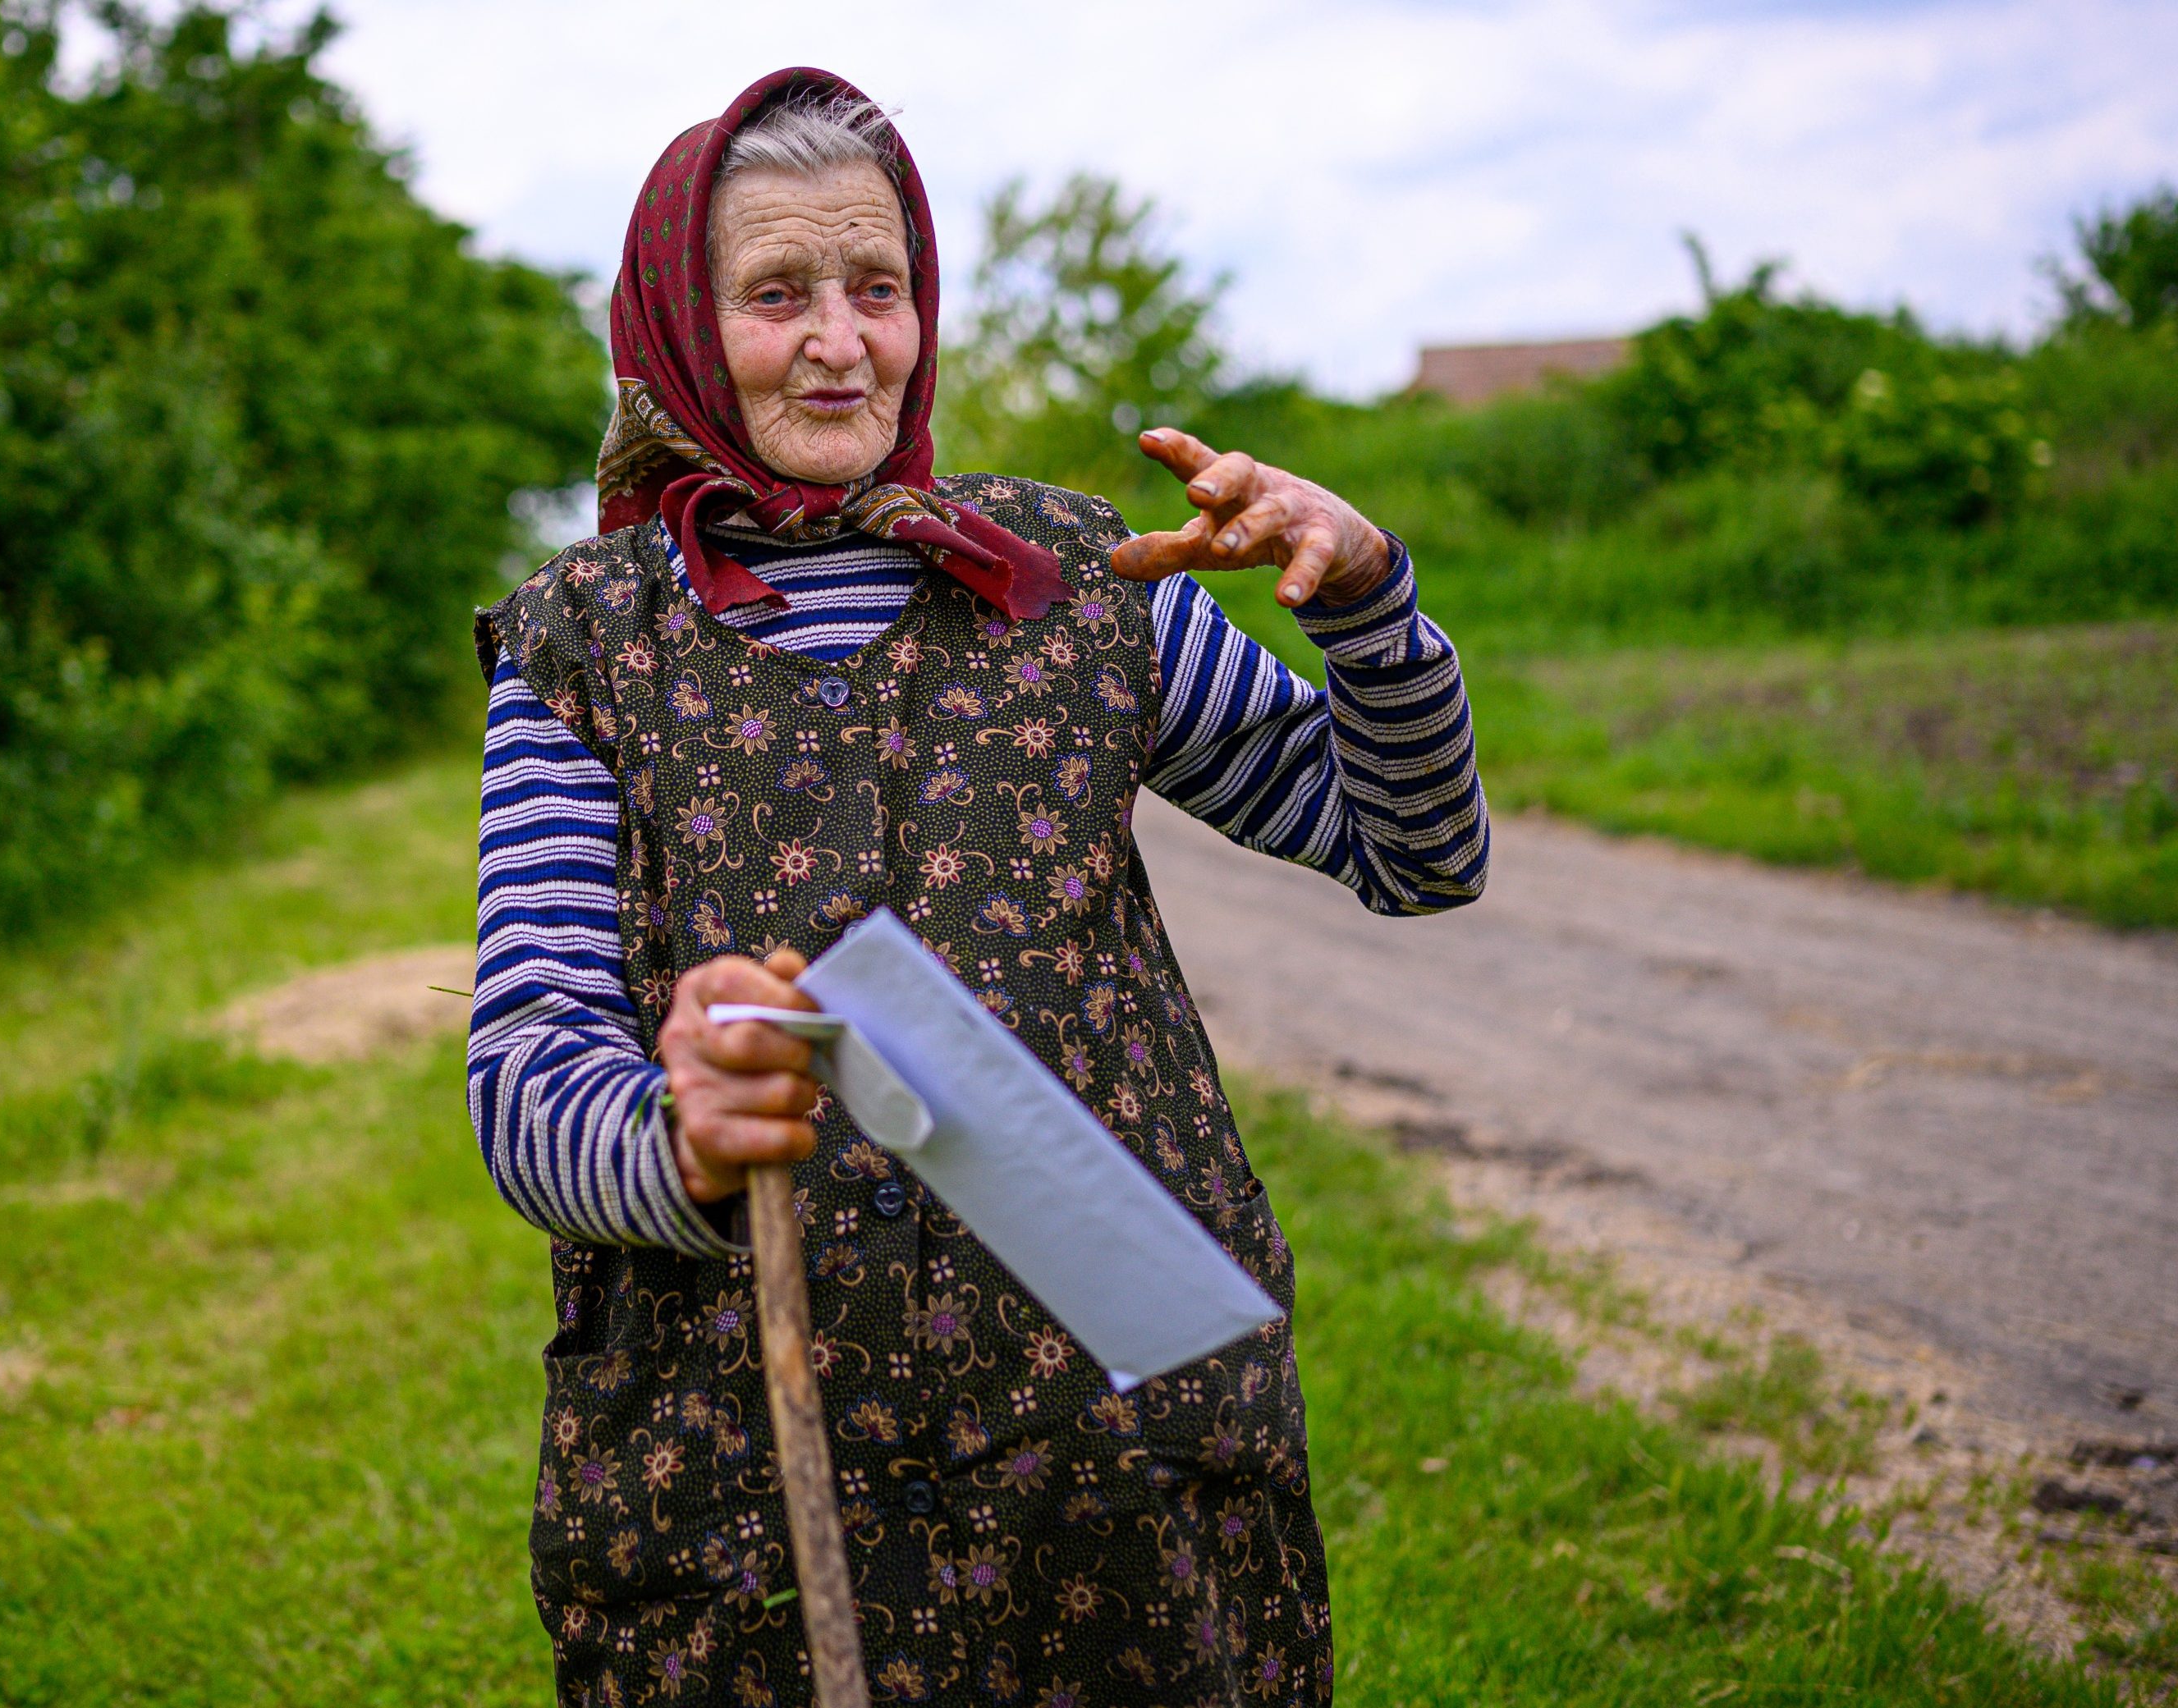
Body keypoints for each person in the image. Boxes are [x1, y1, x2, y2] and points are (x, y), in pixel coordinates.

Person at [467, 66, 1486, 1708]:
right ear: (672, 322)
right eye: (775, 294)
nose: (839, 342)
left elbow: (1414, 851)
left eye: (877, 288)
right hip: (743, 1464)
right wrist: (676, 1137)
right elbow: (524, 1062)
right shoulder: (583, 645)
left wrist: (1366, 604)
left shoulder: (1074, 585)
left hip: (1118, 1451)